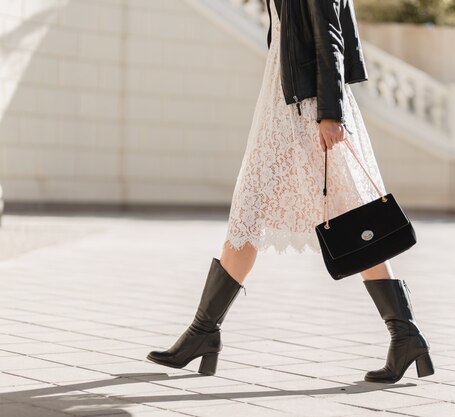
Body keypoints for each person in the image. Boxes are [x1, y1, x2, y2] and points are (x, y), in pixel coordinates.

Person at [147, 0, 434, 384]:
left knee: (352, 218)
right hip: (284, 104)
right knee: (251, 214)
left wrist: (331, 113)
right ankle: (203, 332)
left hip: (309, 110)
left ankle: (405, 334)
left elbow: (329, 34)